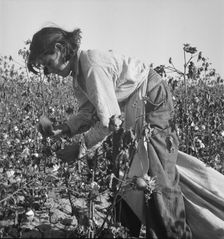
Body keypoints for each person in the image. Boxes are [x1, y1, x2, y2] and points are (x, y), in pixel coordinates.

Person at [27, 26, 192, 238]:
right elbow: (89, 112)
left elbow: (107, 122)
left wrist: (79, 149)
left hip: (151, 101)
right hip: (131, 109)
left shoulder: (91, 67)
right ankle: (121, 232)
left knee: (158, 177)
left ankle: (175, 234)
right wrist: (64, 128)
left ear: (59, 48)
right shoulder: (79, 75)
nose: (50, 72)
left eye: (48, 63)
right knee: (123, 170)